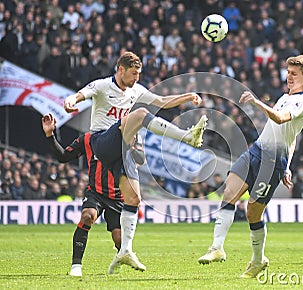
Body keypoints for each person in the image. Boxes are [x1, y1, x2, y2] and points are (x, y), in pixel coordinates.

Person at [63, 51, 207, 273]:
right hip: (102, 141)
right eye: (133, 74)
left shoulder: (136, 90)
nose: (136, 79)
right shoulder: (102, 86)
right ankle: (186, 137)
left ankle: (126, 251)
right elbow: (80, 95)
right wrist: (70, 101)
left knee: (134, 198)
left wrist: (187, 96)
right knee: (139, 115)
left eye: (138, 74)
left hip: (122, 148)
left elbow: (161, 101)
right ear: (120, 69)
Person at [198, 55, 303, 278]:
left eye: (294, 74)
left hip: (272, 162)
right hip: (256, 150)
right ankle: (217, 248)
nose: (289, 77)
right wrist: (289, 166)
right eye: (288, 72)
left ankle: (258, 259)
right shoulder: (284, 96)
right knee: (229, 192)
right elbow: (292, 138)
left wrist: (256, 102)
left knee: (253, 212)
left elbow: (281, 120)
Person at [42, 113, 144, 276]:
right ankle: (76, 266)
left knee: (119, 239)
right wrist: (50, 135)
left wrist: (131, 147)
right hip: (96, 192)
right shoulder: (88, 139)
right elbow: (63, 157)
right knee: (87, 216)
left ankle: (120, 258)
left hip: (118, 195)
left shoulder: (127, 135)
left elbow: (141, 159)